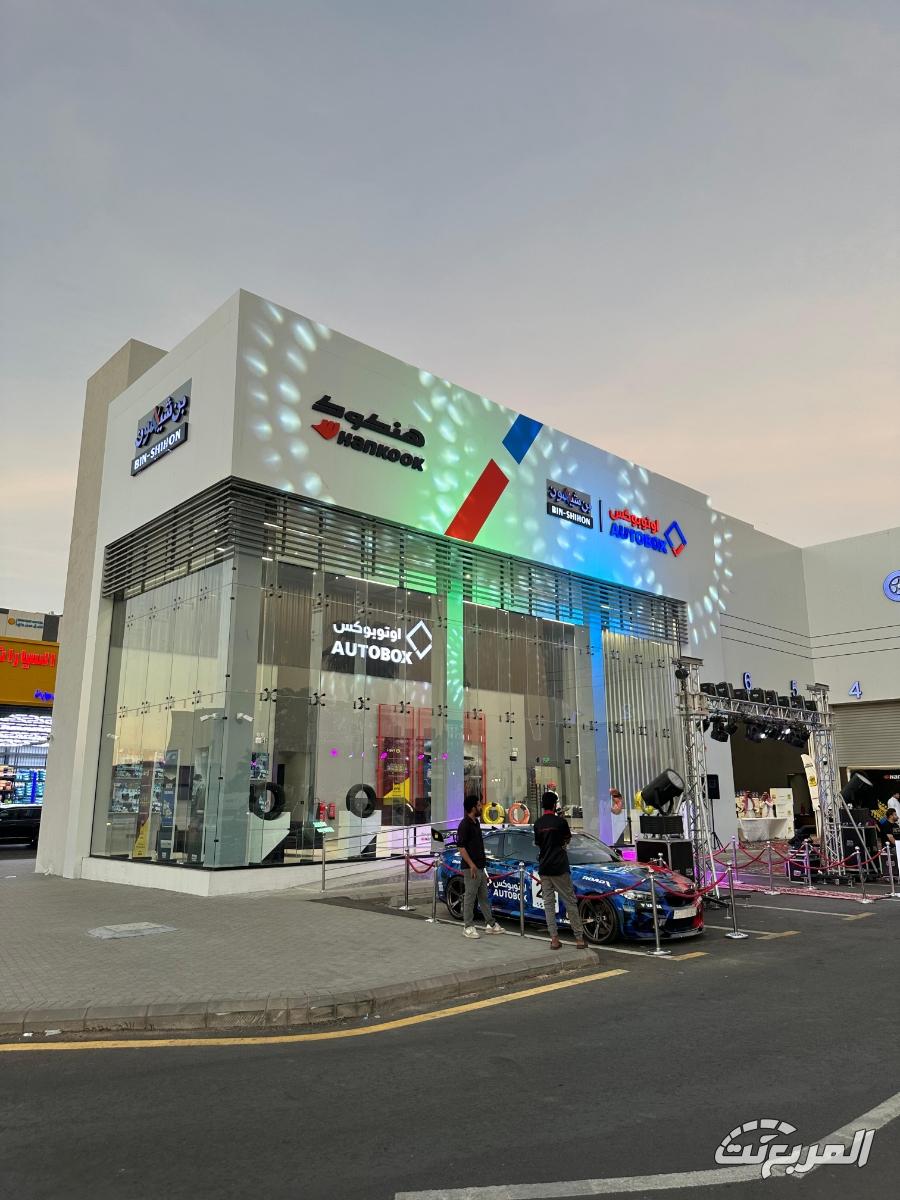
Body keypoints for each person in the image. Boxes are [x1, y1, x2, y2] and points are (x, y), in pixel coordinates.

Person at [533, 791, 587, 950]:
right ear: (554, 805)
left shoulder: (538, 824)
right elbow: (567, 839)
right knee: (570, 901)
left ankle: (554, 939)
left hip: (544, 867)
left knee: (548, 904)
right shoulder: (561, 822)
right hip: (560, 866)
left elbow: (538, 844)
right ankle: (579, 939)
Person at [456, 795, 503, 939]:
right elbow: (461, 847)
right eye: (478, 805)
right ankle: (468, 926)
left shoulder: (476, 822)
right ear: (472, 808)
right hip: (471, 868)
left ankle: (490, 924)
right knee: (470, 897)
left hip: (480, 866)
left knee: (483, 896)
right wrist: (471, 865)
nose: (481, 807)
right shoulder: (464, 825)